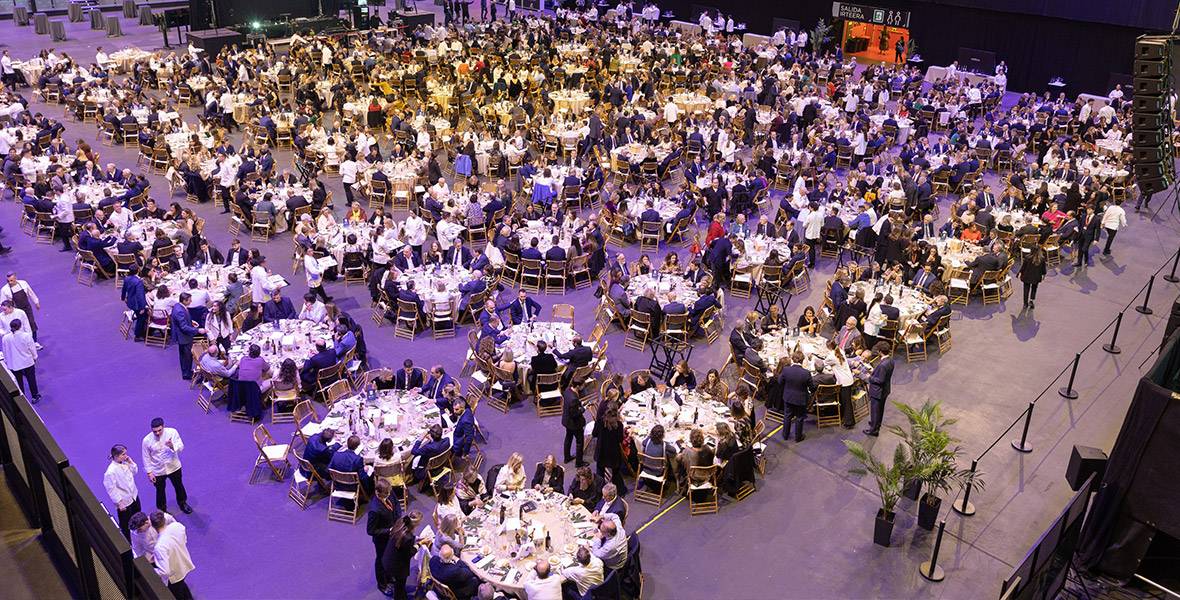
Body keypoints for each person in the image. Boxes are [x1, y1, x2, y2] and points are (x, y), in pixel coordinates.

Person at [141, 417, 191, 514]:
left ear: (163, 426)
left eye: (159, 430)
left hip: (174, 466)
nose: (157, 433)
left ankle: (182, 503)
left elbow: (181, 447)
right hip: (158, 470)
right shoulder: (146, 440)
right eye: (155, 431)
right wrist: (149, 472)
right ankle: (162, 510)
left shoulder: (172, 432)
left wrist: (172, 446)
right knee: (160, 491)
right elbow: (146, 457)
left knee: (179, 486)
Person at [151, 511, 196, 599]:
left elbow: (165, 572)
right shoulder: (177, 526)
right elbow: (184, 539)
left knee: (178, 595)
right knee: (183, 587)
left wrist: (153, 570)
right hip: (184, 564)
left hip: (174, 575)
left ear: (153, 526)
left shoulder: (159, 546)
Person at [367, 479, 400, 595]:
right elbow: (370, 531)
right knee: (381, 561)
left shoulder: (389, 492)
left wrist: (398, 520)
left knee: (391, 557)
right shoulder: (374, 509)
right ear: (378, 492)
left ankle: (390, 576)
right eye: (386, 494)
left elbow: (396, 504)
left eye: (389, 493)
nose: (389, 495)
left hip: (393, 534)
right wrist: (389, 530)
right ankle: (382, 584)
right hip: (382, 540)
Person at [382, 511, 424, 600]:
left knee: (398, 584)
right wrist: (419, 544)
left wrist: (415, 538)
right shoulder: (407, 538)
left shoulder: (401, 522)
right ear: (416, 523)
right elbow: (409, 553)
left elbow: (404, 540)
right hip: (397, 567)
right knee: (399, 587)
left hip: (388, 558)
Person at [103, 444, 140, 540]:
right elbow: (111, 489)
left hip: (134, 496)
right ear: (116, 456)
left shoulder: (125, 463)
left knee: (138, 516)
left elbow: (135, 472)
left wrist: (131, 463)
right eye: (123, 454)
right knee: (126, 523)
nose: (126, 456)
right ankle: (128, 541)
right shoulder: (110, 472)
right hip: (124, 502)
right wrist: (119, 503)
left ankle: (140, 534)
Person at [778, 355, 814, 442]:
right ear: (802, 361)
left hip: (788, 397)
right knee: (799, 417)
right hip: (800, 399)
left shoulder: (786, 370)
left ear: (793, 359)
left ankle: (785, 435)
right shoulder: (806, 373)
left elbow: (780, 382)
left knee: (787, 416)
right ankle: (798, 437)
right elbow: (812, 388)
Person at [169, 293, 204, 381]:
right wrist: (198, 330)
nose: (191, 301)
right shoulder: (179, 310)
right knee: (186, 356)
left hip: (182, 335)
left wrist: (190, 321)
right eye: (189, 300)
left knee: (184, 355)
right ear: (184, 300)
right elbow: (183, 327)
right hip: (183, 337)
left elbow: (182, 321)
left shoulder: (178, 306)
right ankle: (187, 374)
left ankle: (186, 372)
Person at [2, 320, 39, 401]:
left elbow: (5, 351)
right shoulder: (26, 336)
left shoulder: (5, 338)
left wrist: (7, 361)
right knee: (31, 379)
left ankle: (22, 398)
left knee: (18, 382)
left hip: (14, 364)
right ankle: (35, 396)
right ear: (20, 326)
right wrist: (35, 357)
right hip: (27, 362)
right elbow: (32, 348)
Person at [864, 342, 895, 436]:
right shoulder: (890, 360)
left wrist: (869, 377)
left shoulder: (882, 365)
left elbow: (880, 380)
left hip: (878, 391)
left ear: (880, 352)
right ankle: (876, 424)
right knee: (880, 409)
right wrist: (874, 371)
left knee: (875, 410)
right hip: (885, 390)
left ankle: (873, 430)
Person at [0, 273, 40, 343]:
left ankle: (34, 341)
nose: (10, 282)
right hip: (16, 311)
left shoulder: (23, 283)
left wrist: (36, 302)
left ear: (16, 278)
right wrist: (6, 311)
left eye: (12, 280)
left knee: (31, 323)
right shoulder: (4, 290)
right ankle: (22, 343)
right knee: (20, 327)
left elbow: (31, 292)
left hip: (27, 307)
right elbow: (2, 303)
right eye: (8, 281)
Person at [561, 387, 587, 466]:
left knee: (568, 438)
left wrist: (579, 404)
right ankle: (579, 462)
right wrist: (583, 408)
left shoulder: (567, 390)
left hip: (567, 421)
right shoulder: (574, 398)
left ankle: (567, 457)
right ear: (579, 385)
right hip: (575, 424)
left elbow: (571, 406)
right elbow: (575, 414)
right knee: (580, 442)